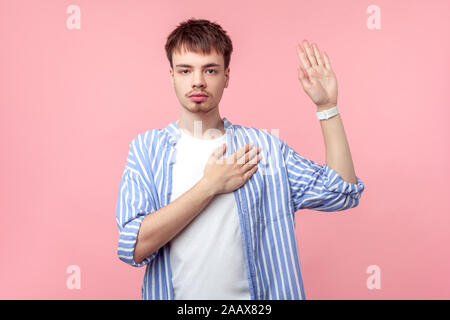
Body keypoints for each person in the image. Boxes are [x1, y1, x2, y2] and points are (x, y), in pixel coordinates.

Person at [115, 18, 365, 300]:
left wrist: (327, 107)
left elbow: (341, 192)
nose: (197, 80)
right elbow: (133, 245)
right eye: (186, 70)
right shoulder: (147, 149)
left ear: (227, 76)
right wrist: (209, 186)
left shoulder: (264, 148)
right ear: (171, 75)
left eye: (210, 70)